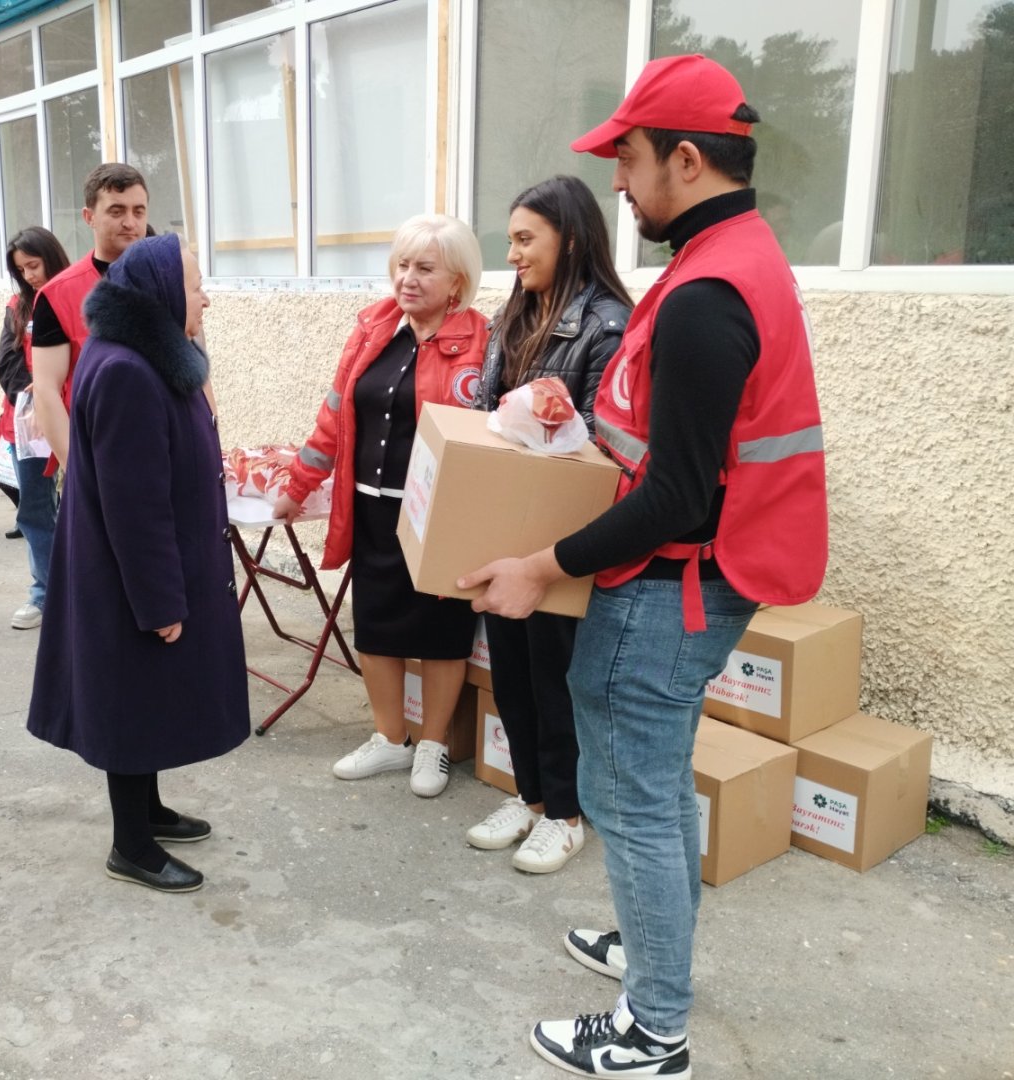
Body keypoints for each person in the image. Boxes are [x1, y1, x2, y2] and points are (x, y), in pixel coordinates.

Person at [459, 55, 828, 1077]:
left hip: (677, 585)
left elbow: (676, 495)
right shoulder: (735, 256)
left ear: (687, 157)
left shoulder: (710, 291)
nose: (617, 180)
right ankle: (651, 940)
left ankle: (652, 1026)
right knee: (656, 786)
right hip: (705, 571)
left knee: (631, 798)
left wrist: (541, 563)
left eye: (627, 156)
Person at [26, 233, 247, 894]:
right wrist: (161, 602)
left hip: (136, 567)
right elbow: (134, 504)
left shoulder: (143, 355)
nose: (205, 297)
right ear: (161, 294)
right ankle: (131, 845)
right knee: (128, 700)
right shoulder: (127, 370)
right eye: (197, 286)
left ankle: (147, 811)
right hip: (130, 577)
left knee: (146, 696)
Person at [273, 215, 489, 798]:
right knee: (375, 627)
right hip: (371, 507)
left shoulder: (480, 342)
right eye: (401, 265)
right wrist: (298, 485)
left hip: (438, 515)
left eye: (424, 268)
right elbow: (334, 415)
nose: (407, 278)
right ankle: (391, 740)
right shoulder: (373, 328)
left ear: (458, 280)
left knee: (442, 630)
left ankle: (434, 746)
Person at [464, 177, 632, 873]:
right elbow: (484, 400)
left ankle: (565, 812)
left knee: (555, 675)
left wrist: (536, 419)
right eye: (511, 241)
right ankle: (530, 798)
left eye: (526, 240)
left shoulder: (608, 324)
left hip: (561, 533)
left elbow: (605, 440)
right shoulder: (517, 312)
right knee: (509, 667)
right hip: (507, 517)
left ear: (571, 238)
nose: (513, 255)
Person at [29, 163, 149, 473]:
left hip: (162, 450)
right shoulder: (58, 295)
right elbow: (46, 391)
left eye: (139, 211)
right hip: (95, 454)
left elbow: (198, 375)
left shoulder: (170, 283)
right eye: (116, 211)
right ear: (89, 217)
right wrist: (80, 471)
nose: (130, 222)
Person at [0, 226, 71, 626]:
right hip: (29, 425)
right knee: (36, 509)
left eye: (34, 265)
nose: (28, 276)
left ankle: (85, 587)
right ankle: (45, 594)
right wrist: (31, 395)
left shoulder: (78, 294)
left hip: (78, 417)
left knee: (88, 506)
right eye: (21, 270)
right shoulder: (17, 307)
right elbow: (6, 365)